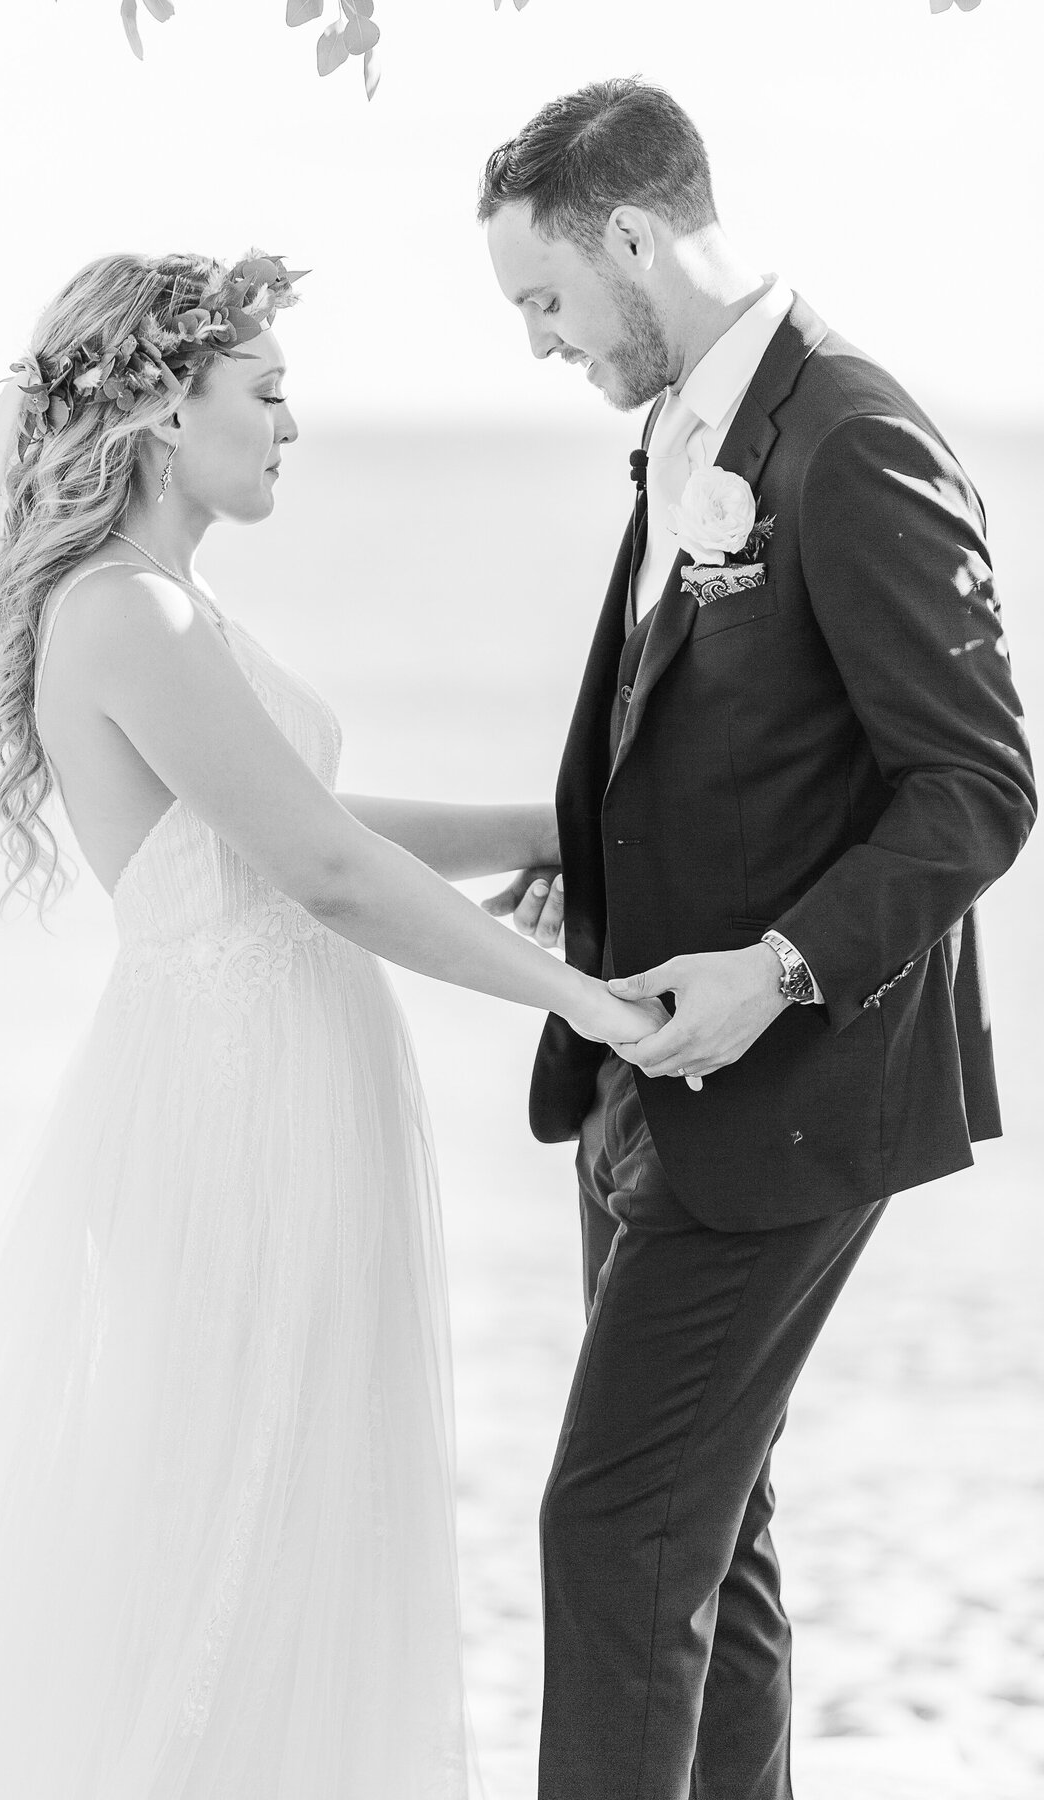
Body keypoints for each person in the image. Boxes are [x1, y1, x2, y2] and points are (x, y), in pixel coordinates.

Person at [0, 248, 660, 1800]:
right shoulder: (127, 613)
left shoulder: (167, 606)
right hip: (232, 1108)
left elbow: (298, 822)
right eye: (267, 392)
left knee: (292, 1492)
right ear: (159, 405)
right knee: (230, 1497)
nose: (292, 427)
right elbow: (324, 872)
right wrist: (580, 998)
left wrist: (554, 829)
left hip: (279, 1080)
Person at [479, 79, 1035, 1800]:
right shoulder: (695, 427)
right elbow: (720, 736)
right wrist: (603, 871)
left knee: (614, 1529)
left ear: (635, 237)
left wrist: (778, 967)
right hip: (642, 1076)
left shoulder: (848, 435)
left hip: (785, 1093)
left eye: (547, 300)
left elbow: (980, 783)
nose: (542, 343)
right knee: (707, 1542)